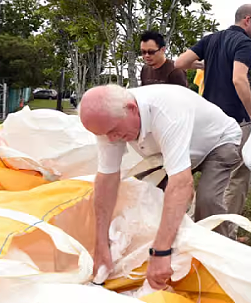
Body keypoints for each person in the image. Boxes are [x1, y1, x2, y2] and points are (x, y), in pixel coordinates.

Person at [78, 84, 242, 290]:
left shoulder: (167, 111)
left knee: (207, 201)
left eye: (113, 131)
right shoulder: (109, 121)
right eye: (103, 134)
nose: (111, 139)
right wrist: (100, 243)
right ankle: (175, 253)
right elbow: (106, 181)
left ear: (131, 108)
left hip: (218, 142)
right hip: (177, 149)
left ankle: (225, 261)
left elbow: (181, 184)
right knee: (150, 199)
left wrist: (161, 252)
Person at [175, 4, 251, 232]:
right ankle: (226, 231)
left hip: (208, 121)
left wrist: (207, 65)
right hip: (234, 122)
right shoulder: (244, 42)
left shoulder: (212, 39)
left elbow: (180, 63)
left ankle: (197, 225)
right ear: (248, 20)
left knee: (210, 177)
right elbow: (239, 79)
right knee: (236, 177)